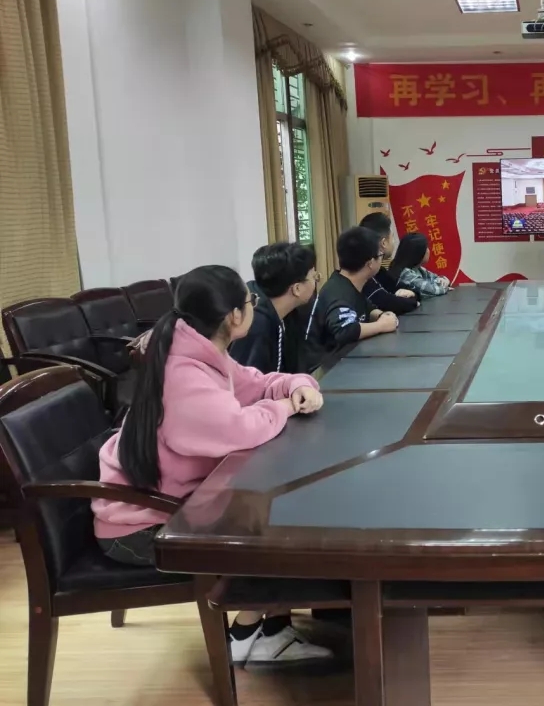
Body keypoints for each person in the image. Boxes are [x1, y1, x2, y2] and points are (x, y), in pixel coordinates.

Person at [93, 266, 332, 667]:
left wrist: (297, 385)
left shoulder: (201, 351)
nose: (254, 306)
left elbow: (256, 383)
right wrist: (285, 407)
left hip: (171, 497)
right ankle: (244, 634)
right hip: (140, 525)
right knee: (278, 528)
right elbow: (240, 428)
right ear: (234, 316)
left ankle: (271, 631)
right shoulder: (185, 372)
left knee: (276, 510)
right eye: (250, 301)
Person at [304, 225, 400, 370]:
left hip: (344, 361)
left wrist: (381, 315)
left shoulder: (349, 282)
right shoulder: (338, 293)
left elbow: (366, 308)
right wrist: (382, 325)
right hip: (323, 371)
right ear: (370, 263)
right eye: (380, 255)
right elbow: (345, 331)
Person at [229, 242, 318, 374]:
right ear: (297, 289)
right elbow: (246, 381)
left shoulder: (288, 313)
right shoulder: (255, 324)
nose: (315, 283)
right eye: (314, 277)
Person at [357, 212, 420, 315]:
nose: (394, 242)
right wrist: (413, 301)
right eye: (392, 237)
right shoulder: (365, 273)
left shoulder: (380, 271)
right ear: (383, 243)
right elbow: (389, 303)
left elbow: (410, 290)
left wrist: (412, 294)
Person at [388, 232, 451, 297]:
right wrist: (445, 287)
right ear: (418, 253)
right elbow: (433, 290)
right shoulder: (405, 274)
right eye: (426, 248)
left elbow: (436, 278)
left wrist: (444, 280)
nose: (428, 250)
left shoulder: (419, 269)